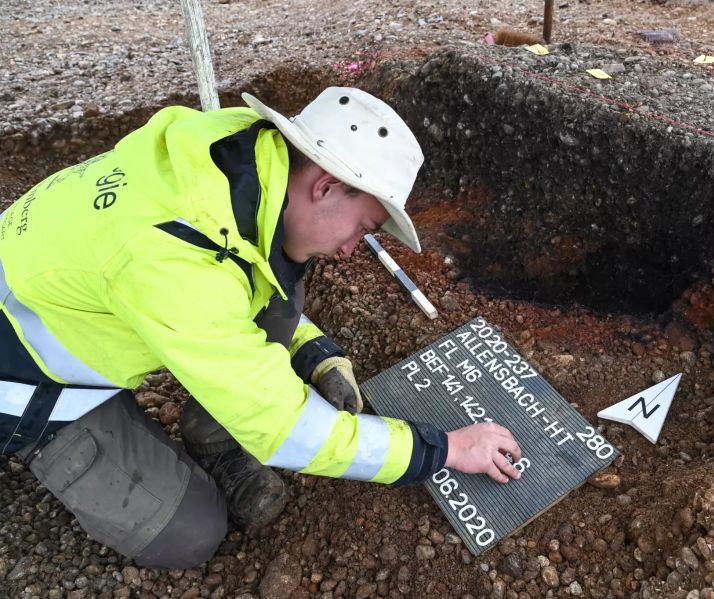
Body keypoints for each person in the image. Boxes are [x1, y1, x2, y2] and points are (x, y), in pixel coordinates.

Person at [0, 88, 522, 569]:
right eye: (362, 228)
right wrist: (445, 449)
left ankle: (211, 430)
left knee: (284, 286)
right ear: (325, 185)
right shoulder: (167, 256)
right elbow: (286, 430)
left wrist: (311, 349)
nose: (350, 249)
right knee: (189, 533)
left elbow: (229, 283)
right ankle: (47, 441)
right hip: (32, 382)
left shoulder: (237, 162)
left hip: (89, 308)